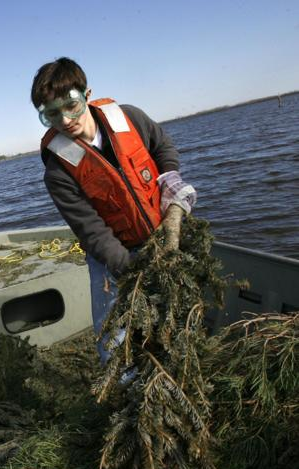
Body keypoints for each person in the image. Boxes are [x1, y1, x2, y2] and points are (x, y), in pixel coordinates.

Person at [30, 57, 197, 366]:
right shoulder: (58, 171)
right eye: (52, 114)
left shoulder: (129, 117)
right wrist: (130, 268)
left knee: (176, 310)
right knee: (113, 332)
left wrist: (171, 179)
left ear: (87, 95)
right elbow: (91, 230)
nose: (66, 120)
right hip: (111, 254)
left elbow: (164, 148)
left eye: (71, 105)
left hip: (160, 233)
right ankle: (120, 385)